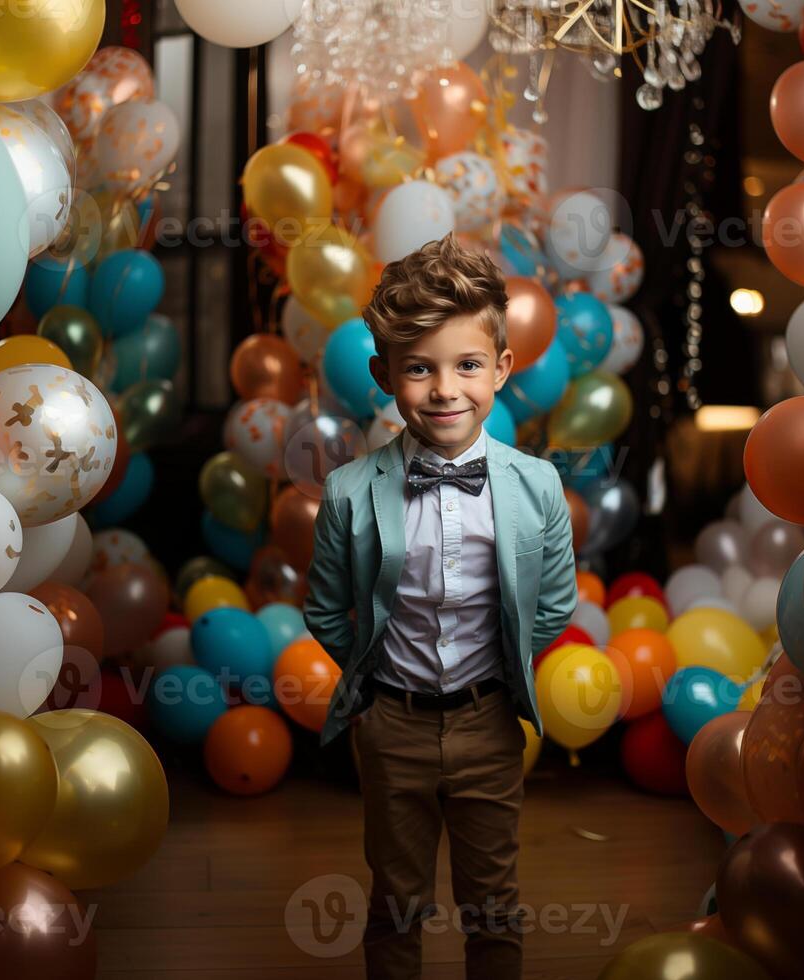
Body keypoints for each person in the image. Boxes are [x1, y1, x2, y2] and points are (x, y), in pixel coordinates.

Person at [303, 232, 578, 979]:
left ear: (502, 369)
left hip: (490, 722)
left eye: (466, 366)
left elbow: (554, 604)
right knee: (396, 899)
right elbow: (327, 612)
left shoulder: (537, 488)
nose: (445, 389)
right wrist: (374, 681)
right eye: (419, 369)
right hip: (391, 725)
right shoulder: (350, 491)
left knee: (494, 903)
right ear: (383, 375)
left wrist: (504, 662)